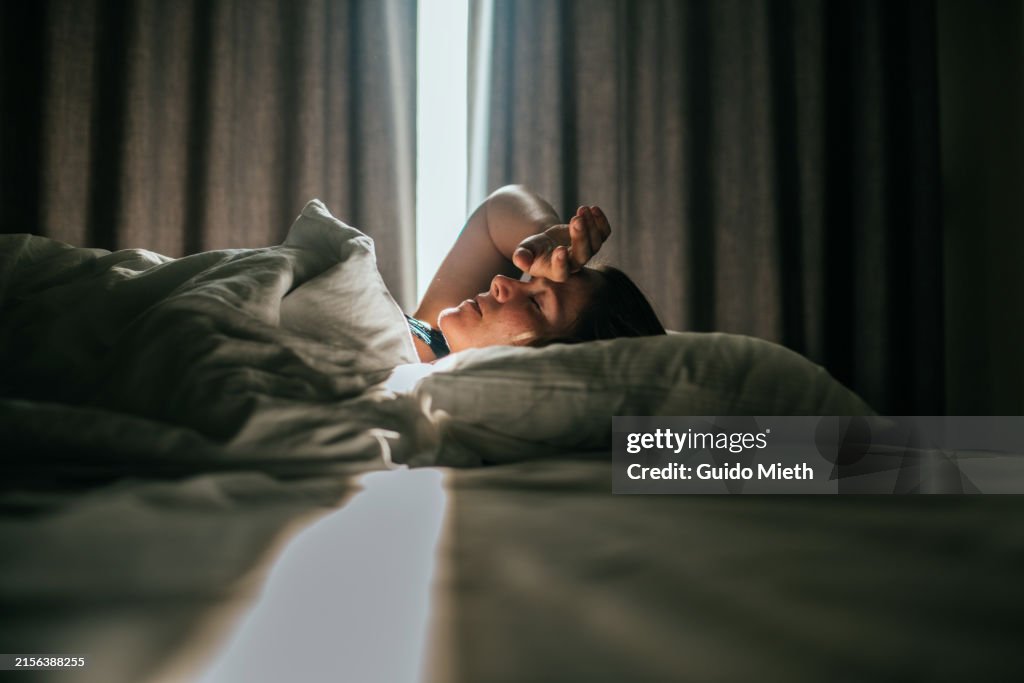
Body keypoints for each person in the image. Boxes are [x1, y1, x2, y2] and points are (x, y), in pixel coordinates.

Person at [407, 185, 666, 363]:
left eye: (535, 304)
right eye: (530, 279)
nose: (499, 281)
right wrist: (545, 238)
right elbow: (498, 207)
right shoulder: (433, 339)